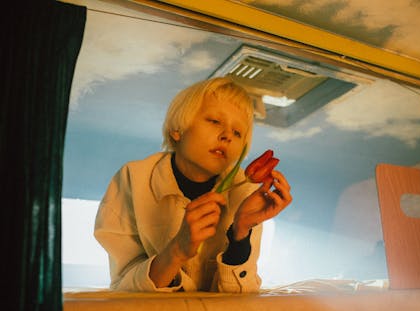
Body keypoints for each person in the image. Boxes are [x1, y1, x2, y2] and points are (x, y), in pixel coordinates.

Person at [94, 77, 292, 292]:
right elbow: (123, 289)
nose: (227, 136)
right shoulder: (132, 178)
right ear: (177, 130)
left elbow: (239, 300)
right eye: (215, 121)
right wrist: (177, 251)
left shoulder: (247, 193)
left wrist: (241, 232)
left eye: (238, 133)